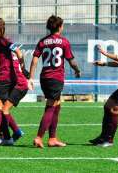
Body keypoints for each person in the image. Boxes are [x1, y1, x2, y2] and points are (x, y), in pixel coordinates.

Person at [28, 15, 81, 148]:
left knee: (57, 105)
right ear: (59, 27)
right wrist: (77, 69)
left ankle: (52, 138)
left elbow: (34, 60)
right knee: (51, 106)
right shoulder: (63, 42)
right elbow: (71, 60)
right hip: (55, 78)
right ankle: (39, 137)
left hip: (44, 77)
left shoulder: (42, 41)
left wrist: (31, 77)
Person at [0, 18, 28, 147]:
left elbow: (18, 52)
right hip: (8, 78)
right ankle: (9, 136)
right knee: (3, 108)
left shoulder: (1, 40)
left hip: (5, 78)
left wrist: (23, 66)